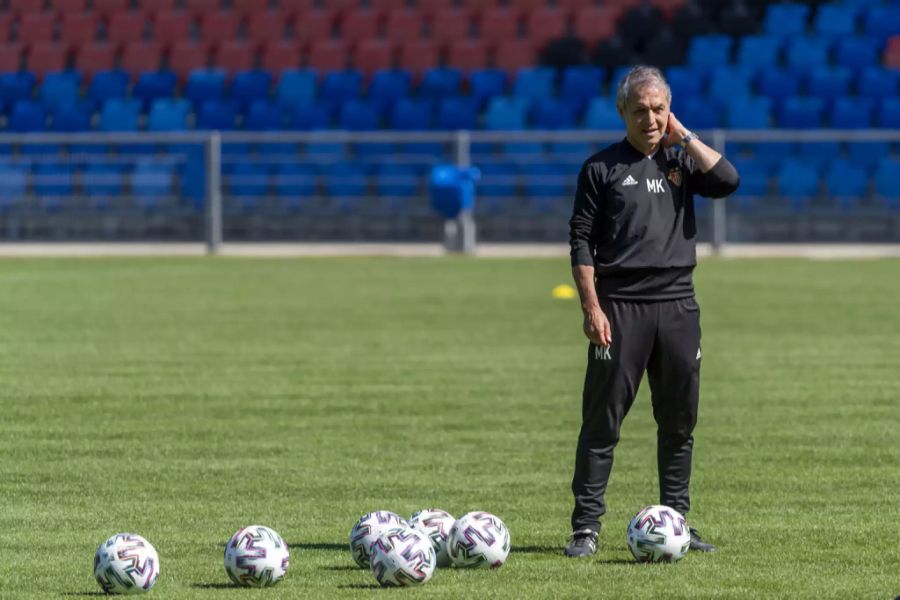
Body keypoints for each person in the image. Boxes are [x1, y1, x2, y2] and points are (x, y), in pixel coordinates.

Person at [564, 65, 740, 558]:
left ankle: (677, 521)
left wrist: (682, 135)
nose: (650, 119)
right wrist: (591, 307)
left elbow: (728, 180)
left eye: (659, 109)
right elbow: (580, 242)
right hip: (620, 309)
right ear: (622, 112)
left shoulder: (680, 163)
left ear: (670, 110)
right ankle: (585, 527)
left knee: (679, 422)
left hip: (679, 306)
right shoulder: (600, 168)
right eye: (640, 110)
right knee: (602, 423)